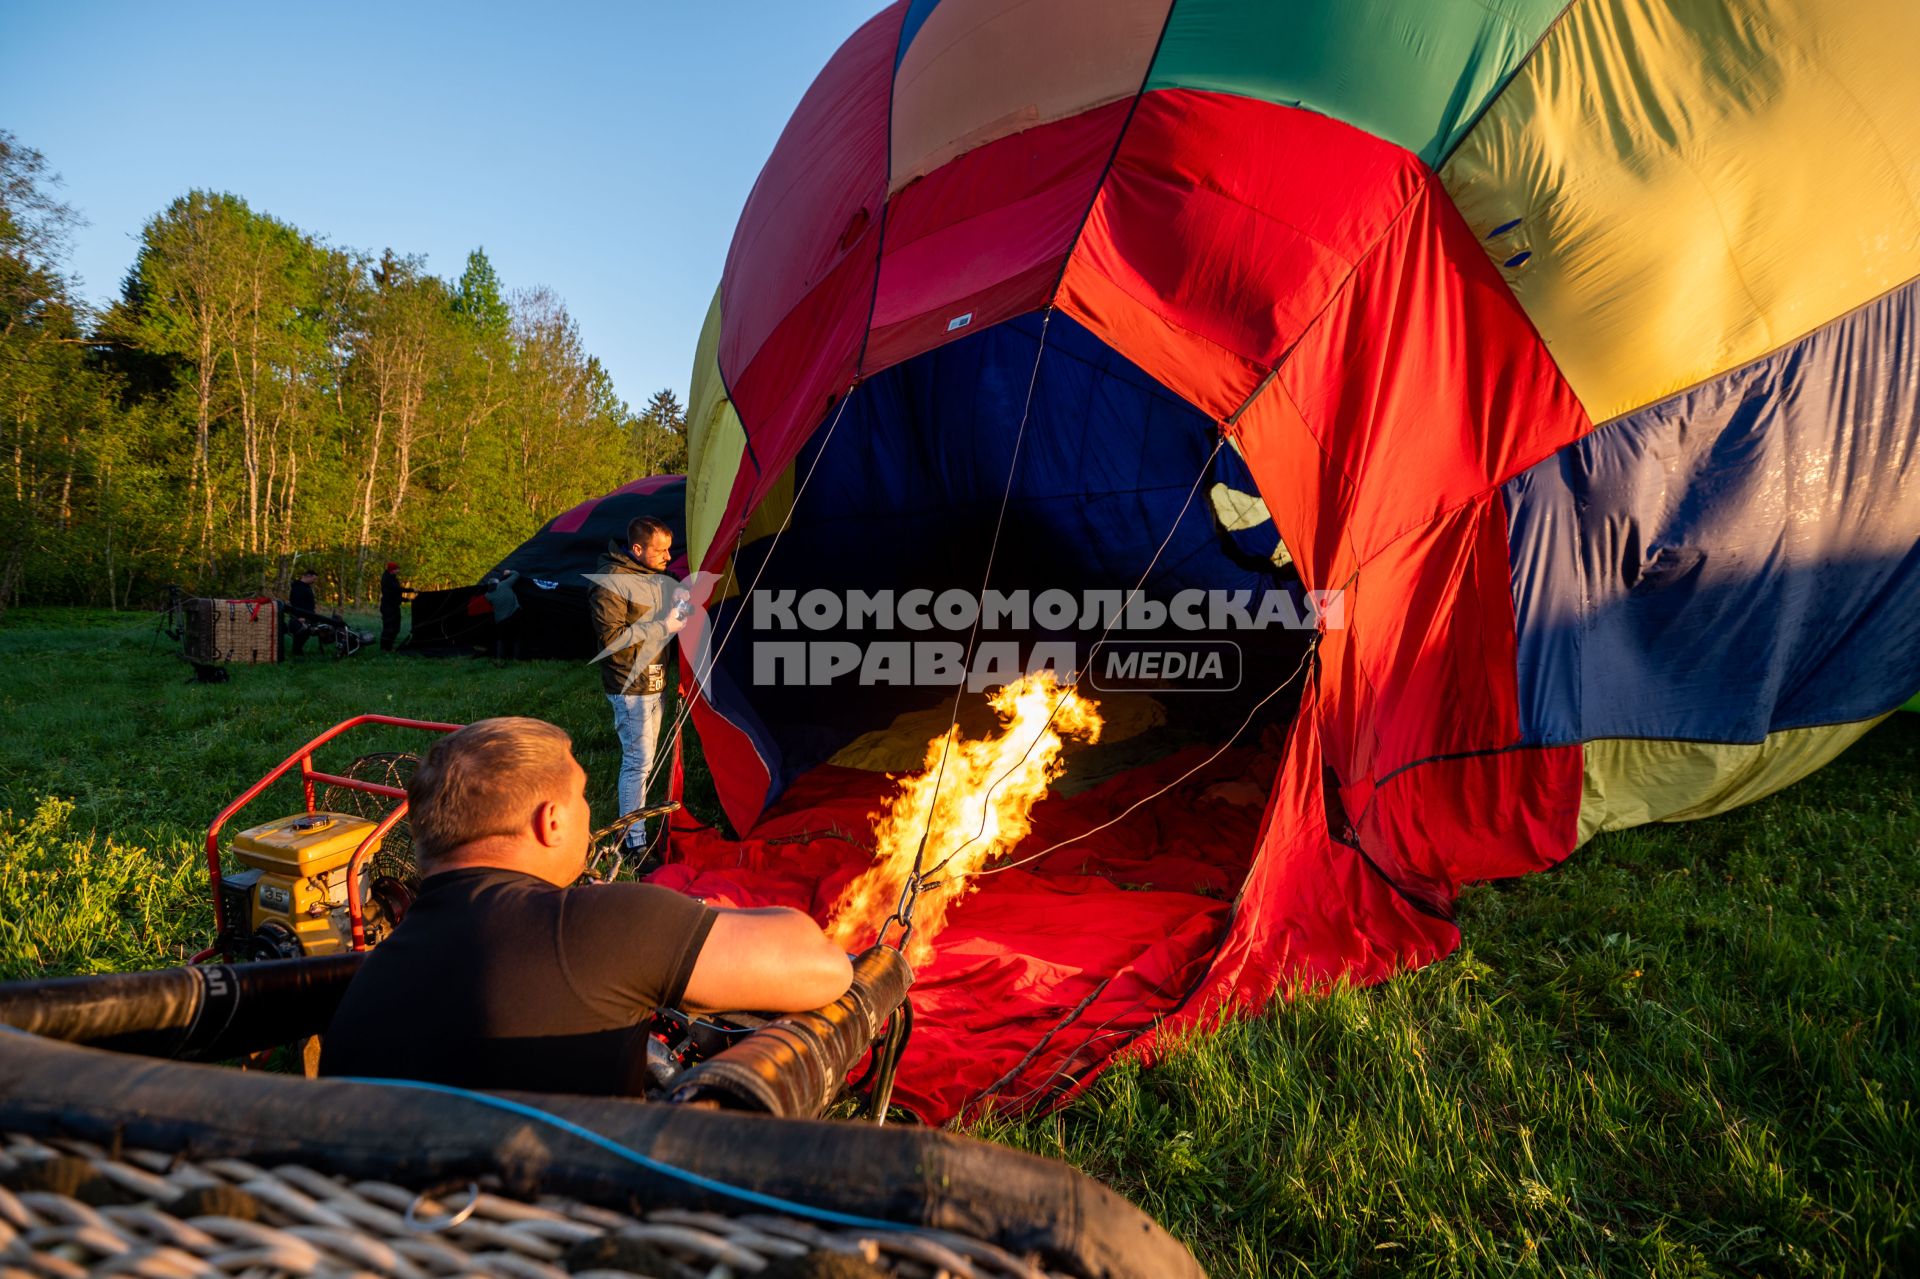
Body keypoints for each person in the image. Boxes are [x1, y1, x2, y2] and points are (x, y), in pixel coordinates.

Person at [319, 717, 851, 1094]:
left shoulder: (373, 971)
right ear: (550, 821)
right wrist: (694, 914)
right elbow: (822, 968)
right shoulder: (606, 924)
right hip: (566, 1236)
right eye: (581, 796)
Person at [590, 517, 685, 853]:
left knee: (645, 759)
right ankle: (632, 842)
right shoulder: (611, 583)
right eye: (661, 551)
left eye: (669, 549)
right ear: (637, 549)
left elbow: (674, 584)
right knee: (638, 761)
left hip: (655, 677)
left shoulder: (652, 573)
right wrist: (666, 624)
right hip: (630, 685)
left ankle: (636, 831)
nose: (668, 557)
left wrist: (683, 594)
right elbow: (613, 639)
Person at [484, 568, 523, 660]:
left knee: (501, 640)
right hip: (514, 615)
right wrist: (509, 572)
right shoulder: (504, 584)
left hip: (500, 620)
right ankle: (516, 659)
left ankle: (500, 659)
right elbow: (517, 574)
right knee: (516, 639)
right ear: (498, 582)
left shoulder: (487, 596)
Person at [379, 562, 411, 653]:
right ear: (392, 570)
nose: (398, 570)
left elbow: (398, 590)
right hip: (388, 607)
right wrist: (407, 598)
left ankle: (389, 646)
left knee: (396, 628)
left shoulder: (392, 578)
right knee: (389, 628)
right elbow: (396, 591)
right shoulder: (387, 579)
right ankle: (385, 648)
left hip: (394, 606)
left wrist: (407, 597)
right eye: (397, 569)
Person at [287, 569, 320, 656]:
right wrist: (300, 617)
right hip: (300, 617)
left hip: (309, 615)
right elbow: (296, 604)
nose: (314, 581)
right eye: (313, 579)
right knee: (303, 631)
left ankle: (297, 650)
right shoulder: (298, 588)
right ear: (308, 576)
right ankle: (297, 651)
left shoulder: (305, 587)